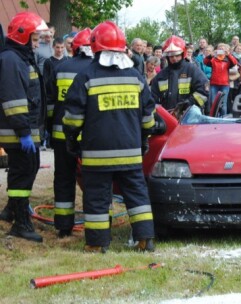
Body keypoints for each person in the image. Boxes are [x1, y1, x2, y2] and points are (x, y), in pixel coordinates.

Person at [62, 21, 156, 253]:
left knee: (97, 198)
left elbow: (73, 119)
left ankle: (96, 243)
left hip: (97, 155)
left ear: (95, 47)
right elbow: (148, 119)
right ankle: (145, 240)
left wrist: (72, 141)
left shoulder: (86, 76)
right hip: (131, 153)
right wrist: (143, 140)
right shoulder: (136, 77)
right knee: (137, 195)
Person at [0, 12, 48, 243]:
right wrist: (23, 133)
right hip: (17, 131)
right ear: (22, 36)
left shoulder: (21, 57)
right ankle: (20, 223)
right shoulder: (11, 59)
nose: (37, 43)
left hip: (24, 129)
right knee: (24, 171)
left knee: (28, 167)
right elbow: (14, 100)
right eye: (35, 38)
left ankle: (11, 211)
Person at [46, 28, 93, 238]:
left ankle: (64, 226)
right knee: (95, 181)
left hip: (61, 134)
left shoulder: (61, 67)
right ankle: (99, 224)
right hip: (90, 138)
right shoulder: (97, 69)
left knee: (64, 178)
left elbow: (49, 102)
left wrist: (50, 126)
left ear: (73, 49)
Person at [151, 35, 209, 115]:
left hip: (189, 116)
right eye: (171, 56)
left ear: (182, 54)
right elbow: (153, 98)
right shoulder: (161, 75)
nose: (174, 58)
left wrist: (188, 103)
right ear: (167, 57)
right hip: (168, 118)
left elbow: (204, 90)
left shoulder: (191, 70)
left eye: (177, 55)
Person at [204, 43, 238, 116]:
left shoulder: (228, 60)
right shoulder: (213, 59)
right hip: (214, 85)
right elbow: (205, 62)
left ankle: (223, 119)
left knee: (223, 104)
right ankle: (214, 118)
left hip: (225, 85)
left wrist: (228, 54)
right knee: (214, 103)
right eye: (220, 48)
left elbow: (235, 62)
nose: (221, 50)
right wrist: (210, 55)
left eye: (223, 49)